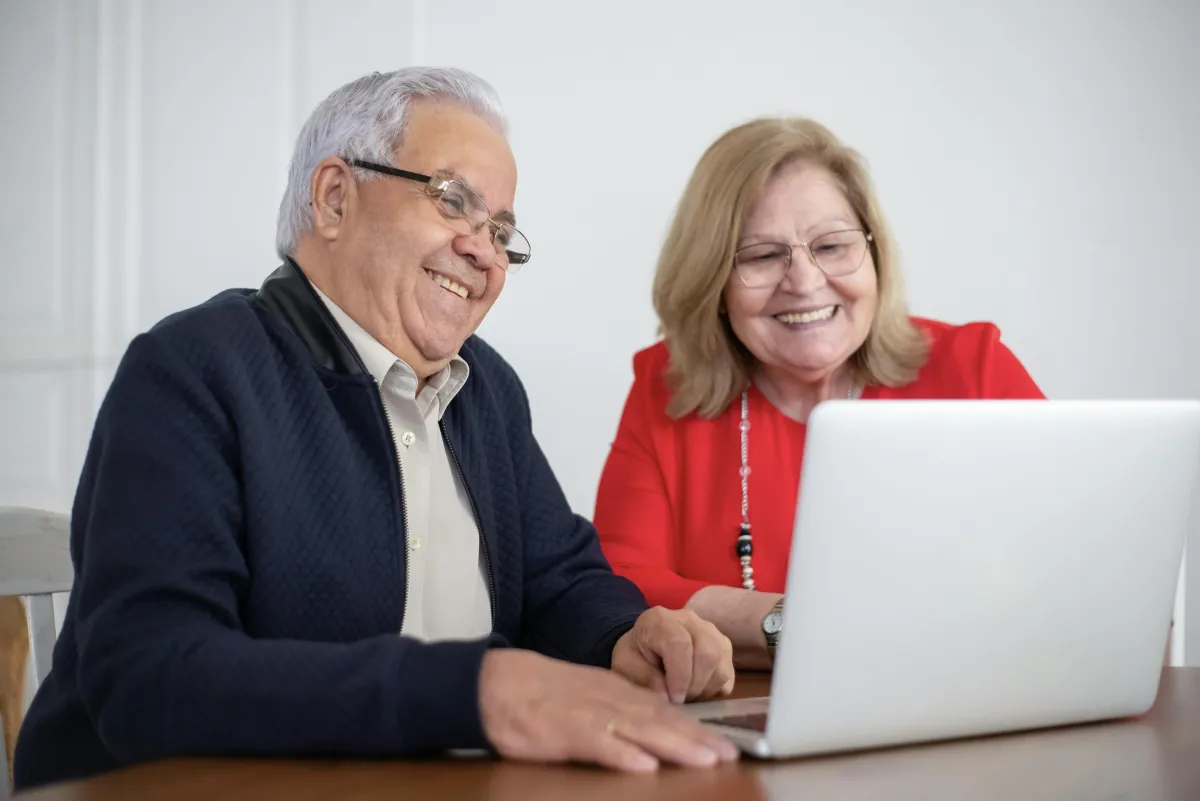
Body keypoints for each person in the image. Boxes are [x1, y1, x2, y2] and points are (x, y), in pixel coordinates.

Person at [13, 67, 738, 791]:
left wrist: (626, 634)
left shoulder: (486, 389)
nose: (485, 252)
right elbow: (152, 675)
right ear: (334, 198)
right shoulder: (192, 370)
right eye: (454, 201)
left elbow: (560, 578)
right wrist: (474, 691)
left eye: (502, 231)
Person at [593, 116, 1045, 671]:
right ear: (713, 282)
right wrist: (783, 620)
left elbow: (1073, 556)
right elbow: (615, 588)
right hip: (747, 730)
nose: (804, 281)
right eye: (761, 256)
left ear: (874, 254)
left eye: (831, 246)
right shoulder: (666, 389)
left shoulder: (974, 369)